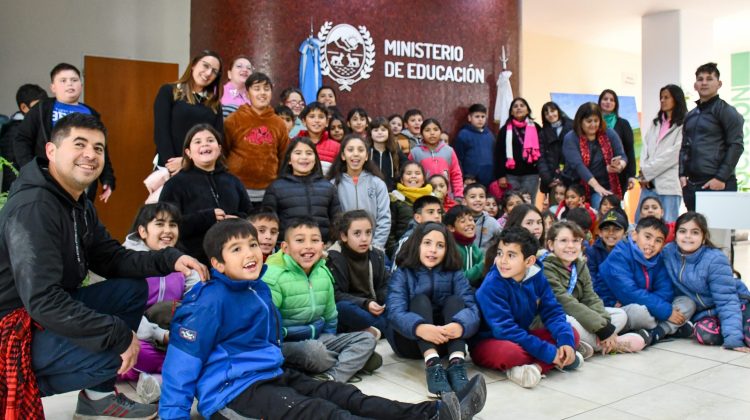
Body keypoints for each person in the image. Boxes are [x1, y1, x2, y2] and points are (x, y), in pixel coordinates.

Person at [159, 218, 485, 420]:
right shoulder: (207, 301)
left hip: (270, 375)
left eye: (253, 245)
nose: (249, 254)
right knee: (322, 413)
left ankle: (435, 412)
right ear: (217, 263)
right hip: (231, 395)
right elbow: (181, 363)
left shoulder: (256, 289)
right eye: (236, 249)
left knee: (343, 395)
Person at [0, 113, 205, 419]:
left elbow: (111, 258)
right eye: (79, 144)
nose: (91, 154)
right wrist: (117, 335)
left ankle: (97, 398)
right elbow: (42, 299)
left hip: (40, 314)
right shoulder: (35, 207)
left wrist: (169, 258)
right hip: (12, 327)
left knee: (131, 292)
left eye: (98, 148)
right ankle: (16, 381)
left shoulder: (77, 202)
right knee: (113, 356)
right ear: (51, 151)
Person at [262, 218, 378, 383]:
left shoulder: (323, 272)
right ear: (285, 248)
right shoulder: (274, 276)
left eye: (315, 240)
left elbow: (330, 315)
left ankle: (332, 377)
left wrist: (330, 339)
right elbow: (269, 324)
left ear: (322, 246)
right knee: (314, 352)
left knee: (367, 338)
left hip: (318, 337)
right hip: (287, 343)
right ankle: (351, 362)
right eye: (300, 240)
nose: (308, 246)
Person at [470, 227, 582, 389]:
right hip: (489, 341)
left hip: (520, 336)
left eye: (511, 255)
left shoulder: (537, 277)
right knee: (510, 354)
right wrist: (548, 353)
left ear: (529, 261)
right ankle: (557, 360)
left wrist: (565, 341)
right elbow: (504, 330)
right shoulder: (492, 285)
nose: (502, 261)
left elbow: (553, 312)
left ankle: (536, 368)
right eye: (500, 253)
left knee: (572, 334)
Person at [118, 202, 202, 403]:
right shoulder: (126, 260)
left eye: (173, 225)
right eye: (160, 224)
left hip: (171, 335)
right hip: (137, 335)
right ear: (142, 231)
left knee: (201, 348)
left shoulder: (182, 262)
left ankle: (158, 379)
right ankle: (171, 376)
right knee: (133, 351)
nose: (167, 231)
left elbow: (197, 302)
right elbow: (123, 313)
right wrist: (160, 334)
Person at [387, 222, 482, 396]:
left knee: (456, 301)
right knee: (420, 301)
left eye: (440, 245)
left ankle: (456, 364)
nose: (433, 250)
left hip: (445, 339)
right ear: (417, 244)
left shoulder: (455, 273)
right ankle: (433, 366)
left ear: (447, 249)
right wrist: (420, 328)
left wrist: (460, 326)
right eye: (427, 243)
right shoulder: (403, 273)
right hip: (411, 341)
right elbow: (394, 312)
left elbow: (472, 309)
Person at [15, 63, 116, 202]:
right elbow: (22, 139)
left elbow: (100, 148)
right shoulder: (41, 109)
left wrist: (107, 178)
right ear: (53, 87)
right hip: (46, 178)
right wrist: (30, 169)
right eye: (63, 81)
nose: (70, 84)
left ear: (81, 84)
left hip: (81, 178)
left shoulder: (91, 113)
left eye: (74, 80)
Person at [543, 221, 645, 357]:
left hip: (581, 316)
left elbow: (590, 297)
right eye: (563, 241)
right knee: (568, 321)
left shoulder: (579, 265)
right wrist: (601, 328)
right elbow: (566, 303)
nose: (570, 246)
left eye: (575, 240)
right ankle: (611, 344)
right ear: (551, 245)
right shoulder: (546, 268)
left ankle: (590, 344)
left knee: (620, 315)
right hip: (556, 317)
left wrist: (603, 325)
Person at [159, 124, 252, 263]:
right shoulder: (175, 184)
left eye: (210, 140)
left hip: (234, 259)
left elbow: (250, 215)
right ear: (188, 153)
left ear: (219, 149)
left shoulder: (233, 181)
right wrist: (207, 218)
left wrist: (237, 220)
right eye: (197, 142)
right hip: (193, 259)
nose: (205, 144)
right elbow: (167, 224)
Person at [598, 217, 695, 346]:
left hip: (649, 305)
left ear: (662, 245)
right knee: (640, 313)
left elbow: (666, 291)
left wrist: (658, 308)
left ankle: (656, 332)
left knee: (687, 302)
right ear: (634, 235)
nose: (651, 244)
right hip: (619, 307)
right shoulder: (619, 256)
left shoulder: (658, 259)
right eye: (647, 237)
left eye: (658, 240)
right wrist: (665, 311)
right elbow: (629, 293)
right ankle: (670, 328)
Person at [663, 212, 750, 351]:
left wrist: (733, 339)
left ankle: (736, 330)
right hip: (705, 313)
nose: (688, 236)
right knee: (705, 335)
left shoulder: (714, 260)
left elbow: (727, 301)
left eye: (695, 232)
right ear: (675, 235)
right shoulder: (668, 253)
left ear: (703, 238)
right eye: (682, 231)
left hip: (736, 304)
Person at [680, 62, 745, 211]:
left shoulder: (727, 112)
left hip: (718, 185)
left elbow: (736, 146)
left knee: (718, 234)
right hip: (692, 186)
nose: (704, 83)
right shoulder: (690, 115)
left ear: (719, 84)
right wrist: (682, 175)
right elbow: (684, 147)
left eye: (709, 79)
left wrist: (721, 178)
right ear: (695, 85)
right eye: (700, 79)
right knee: (695, 233)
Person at [153, 51, 223, 174]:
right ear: (194, 64)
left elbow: (217, 141)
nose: (208, 73)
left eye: (214, 71)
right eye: (205, 66)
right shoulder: (169, 91)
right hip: (169, 167)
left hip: (201, 168)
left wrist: (188, 162)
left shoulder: (214, 103)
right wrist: (172, 164)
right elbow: (161, 133)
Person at [225, 72, 290, 204]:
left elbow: (284, 157)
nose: (262, 93)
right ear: (248, 94)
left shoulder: (279, 123)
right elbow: (223, 152)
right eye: (257, 88)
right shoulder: (233, 120)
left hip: (268, 191)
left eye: (266, 89)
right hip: (235, 189)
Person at [262, 137, 340, 241]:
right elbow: (268, 222)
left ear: (315, 159)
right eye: (298, 153)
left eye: (309, 153)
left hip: (323, 247)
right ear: (289, 159)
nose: (304, 157)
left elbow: (337, 220)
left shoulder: (328, 187)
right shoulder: (275, 188)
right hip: (287, 249)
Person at [327, 210, 390, 336]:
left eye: (368, 232)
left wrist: (383, 303)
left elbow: (384, 285)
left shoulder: (377, 255)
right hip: (355, 308)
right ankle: (387, 328)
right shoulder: (333, 258)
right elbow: (336, 295)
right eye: (357, 233)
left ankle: (374, 329)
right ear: (344, 236)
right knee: (343, 308)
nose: (364, 239)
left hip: (374, 308)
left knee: (397, 301)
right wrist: (365, 304)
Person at [328, 134, 391, 251]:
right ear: (343, 155)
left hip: (372, 246)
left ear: (367, 156)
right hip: (343, 248)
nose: (355, 154)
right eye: (350, 150)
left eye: (361, 150)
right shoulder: (333, 185)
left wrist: (375, 246)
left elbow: (384, 219)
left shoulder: (377, 184)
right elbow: (332, 219)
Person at [562, 102, 626, 210]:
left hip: (605, 185)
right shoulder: (571, 138)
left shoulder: (609, 133)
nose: (593, 125)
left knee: (607, 213)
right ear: (580, 121)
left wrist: (619, 166)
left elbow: (622, 155)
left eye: (596, 121)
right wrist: (596, 186)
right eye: (589, 121)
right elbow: (578, 165)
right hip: (578, 189)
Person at [638, 84, 687, 223]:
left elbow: (674, 154)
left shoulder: (684, 124)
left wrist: (647, 172)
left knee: (667, 226)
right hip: (648, 184)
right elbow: (645, 148)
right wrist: (643, 173)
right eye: (661, 98)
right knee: (640, 224)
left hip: (668, 185)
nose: (662, 101)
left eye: (666, 97)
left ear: (676, 99)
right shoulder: (656, 123)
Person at [495, 97, 543, 201]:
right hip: (511, 176)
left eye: (522, 105)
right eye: (515, 106)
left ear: (528, 110)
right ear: (511, 112)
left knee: (529, 204)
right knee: (512, 204)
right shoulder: (504, 130)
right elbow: (499, 154)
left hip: (531, 175)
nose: (519, 108)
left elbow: (543, 151)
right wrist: (501, 176)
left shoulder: (536, 128)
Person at [0, 84, 47, 192]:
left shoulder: (35, 127)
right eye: (37, 107)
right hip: (19, 193)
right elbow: (11, 172)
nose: (42, 111)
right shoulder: (15, 131)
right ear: (24, 108)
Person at [410, 118, 464, 202]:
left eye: (435, 129)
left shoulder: (449, 151)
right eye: (427, 130)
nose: (432, 133)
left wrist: (458, 195)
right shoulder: (415, 152)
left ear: (441, 132)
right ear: (421, 134)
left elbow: (456, 174)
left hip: (446, 198)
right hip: (423, 197)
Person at [388, 161, 433, 255]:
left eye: (417, 173)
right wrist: (394, 251)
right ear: (401, 179)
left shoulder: (433, 200)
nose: (413, 176)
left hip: (430, 251)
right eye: (408, 173)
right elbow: (390, 230)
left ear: (424, 179)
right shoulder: (395, 199)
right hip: (403, 252)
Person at [391, 194, 445, 270]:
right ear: (418, 217)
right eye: (431, 212)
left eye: (439, 212)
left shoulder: (444, 237)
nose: (437, 216)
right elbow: (395, 272)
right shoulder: (408, 239)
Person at [598, 89, 637, 194]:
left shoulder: (623, 124)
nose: (608, 102)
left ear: (616, 104)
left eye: (612, 100)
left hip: (619, 173)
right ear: (599, 102)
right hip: (597, 172)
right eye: (605, 99)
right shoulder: (593, 123)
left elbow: (629, 150)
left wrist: (631, 175)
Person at [587, 209, 628, 297]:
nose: (611, 233)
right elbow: (591, 281)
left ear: (624, 234)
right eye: (606, 229)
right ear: (600, 233)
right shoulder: (592, 251)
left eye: (616, 229)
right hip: (599, 300)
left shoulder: (629, 252)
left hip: (624, 299)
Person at [454, 104, 495, 187]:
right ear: (469, 118)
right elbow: (458, 159)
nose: (480, 119)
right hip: (471, 179)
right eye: (477, 116)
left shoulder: (490, 135)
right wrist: (464, 176)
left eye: (483, 117)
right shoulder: (463, 134)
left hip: (490, 177)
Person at [537, 102, 574, 195]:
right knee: (555, 208)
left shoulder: (572, 126)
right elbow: (541, 158)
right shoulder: (543, 133)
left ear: (558, 111)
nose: (550, 115)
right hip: (553, 181)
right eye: (546, 113)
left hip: (572, 177)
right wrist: (548, 179)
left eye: (553, 111)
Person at [294, 102, 340, 173]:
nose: (316, 121)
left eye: (321, 117)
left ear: (327, 122)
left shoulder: (337, 147)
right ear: (304, 121)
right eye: (312, 116)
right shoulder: (294, 143)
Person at [445, 205, 485, 287]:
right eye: (463, 221)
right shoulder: (451, 249)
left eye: (471, 219)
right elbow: (460, 278)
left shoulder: (473, 246)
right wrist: (483, 264)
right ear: (451, 228)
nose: (469, 223)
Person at [369, 116, 407, 191]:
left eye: (383, 130)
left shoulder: (395, 150)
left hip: (392, 192)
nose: (379, 133)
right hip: (370, 192)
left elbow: (406, 165)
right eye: (376, 130)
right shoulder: (366, 151)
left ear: (389, 132)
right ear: (370, 133)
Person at [463, 183, 500, 251]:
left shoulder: (492, 222)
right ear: (464, 201)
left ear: (485, 200)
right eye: (473, 197)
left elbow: (503, 238)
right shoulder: (460, 221)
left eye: (481, 196)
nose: (478, 199)